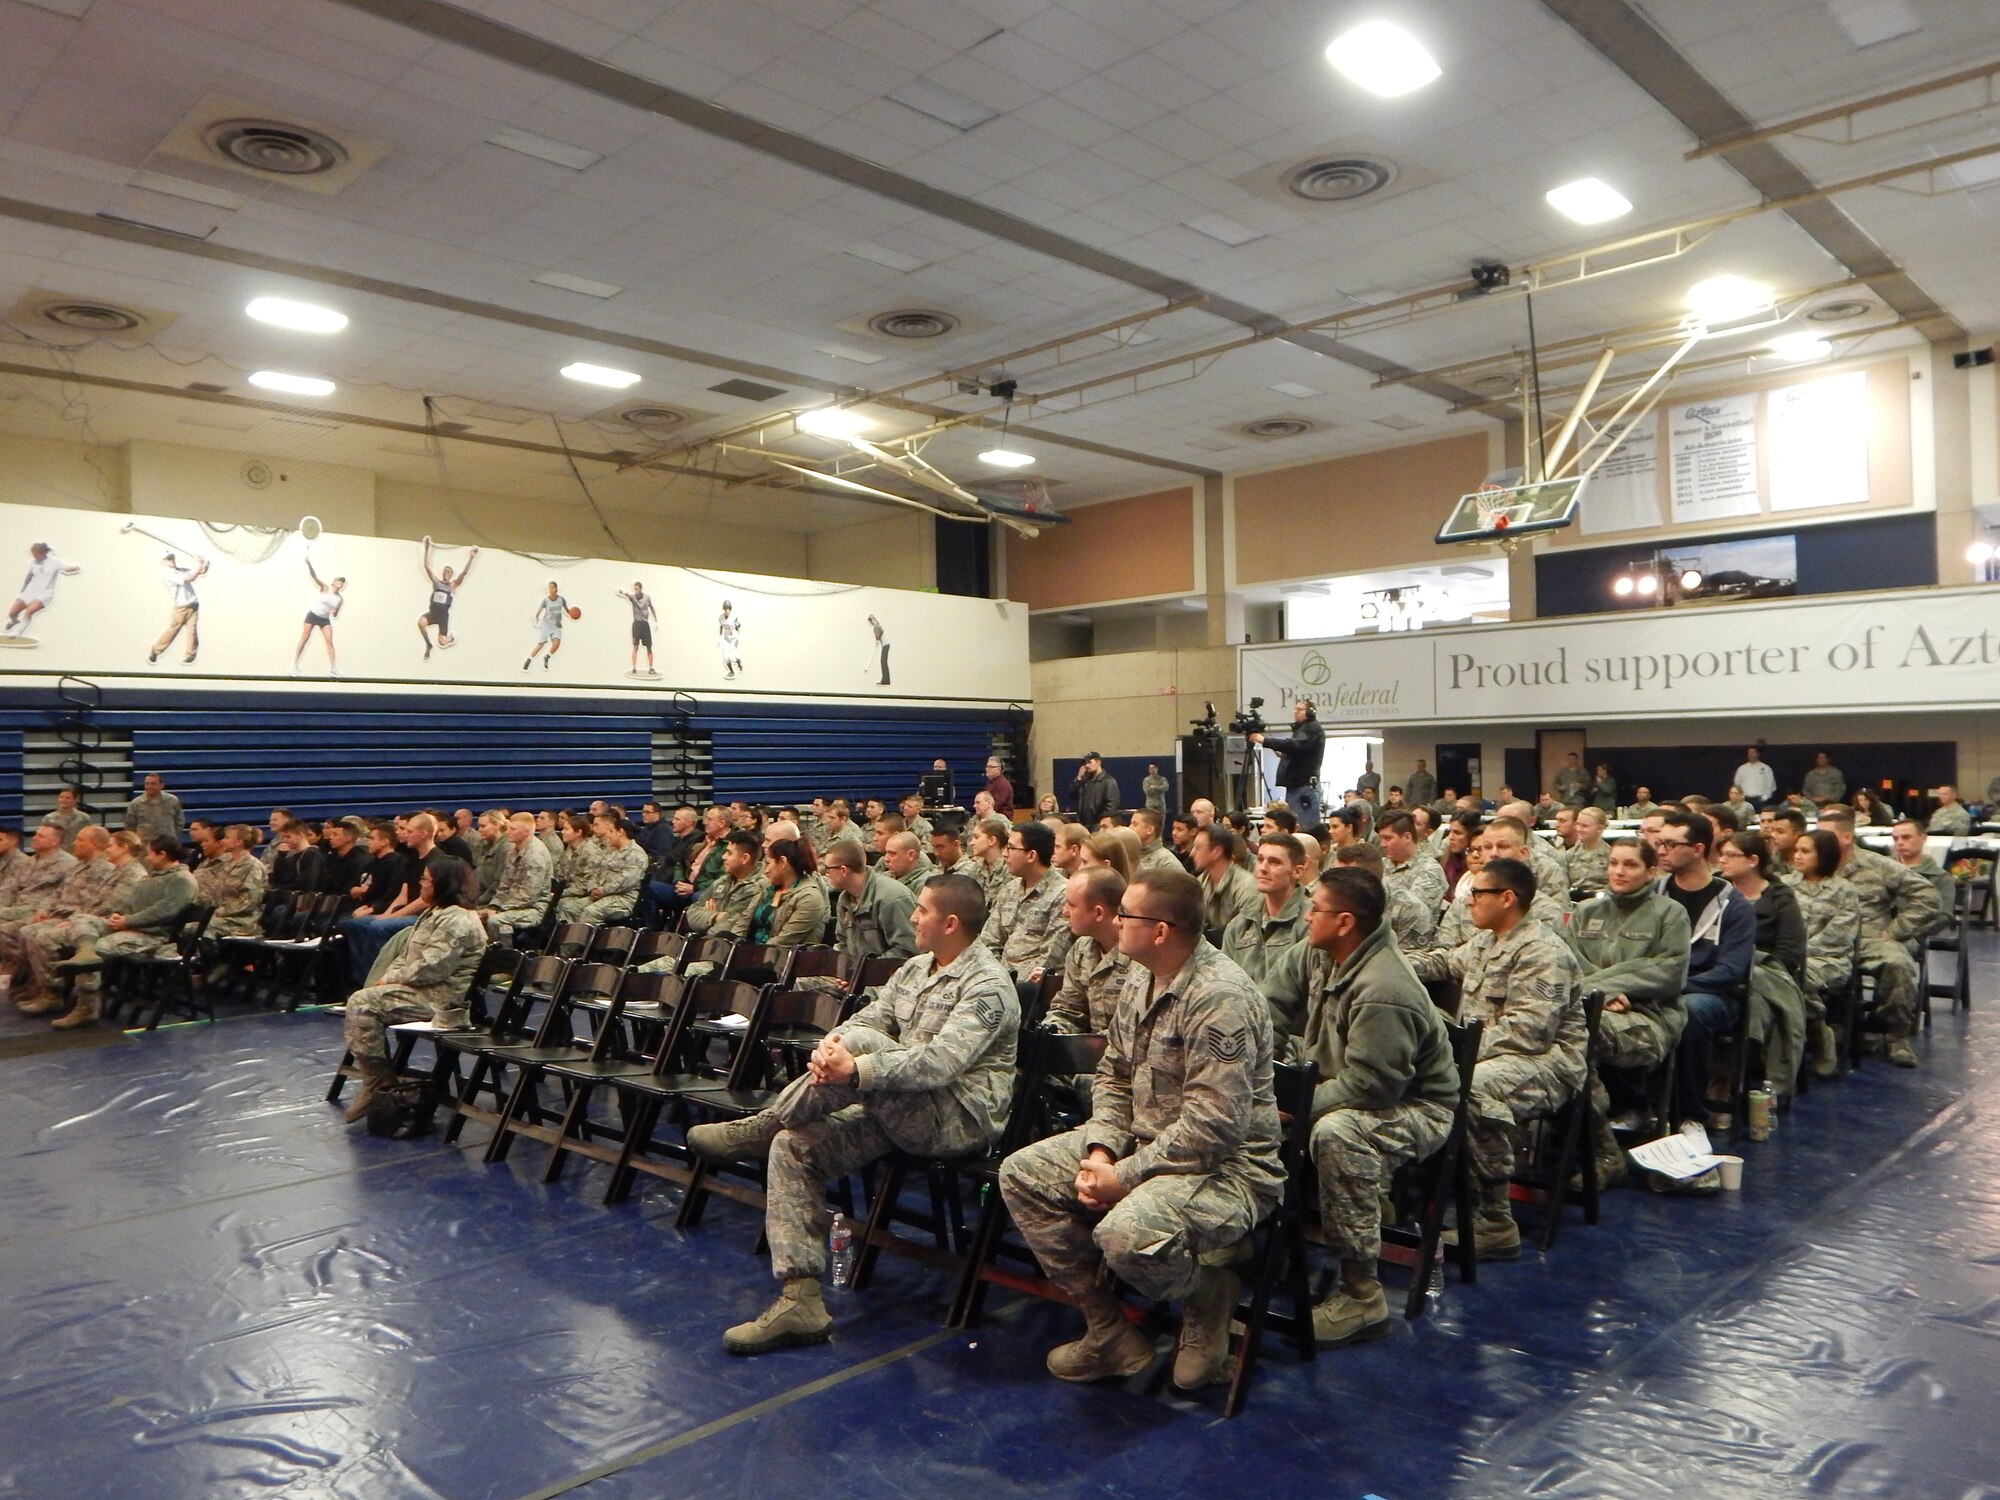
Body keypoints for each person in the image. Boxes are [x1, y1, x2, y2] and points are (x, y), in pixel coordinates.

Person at [688, 874, 1017, 1355]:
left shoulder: (988, 986)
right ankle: (800, 1300)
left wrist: (855, 1064)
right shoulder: (916, 969)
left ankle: (764, 1122)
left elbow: (940, 1064)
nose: (912, 917)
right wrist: (833, 1045)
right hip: (896, 1108)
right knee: (794, 1145)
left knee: (857, 1052)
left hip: (953, 1121)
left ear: (950, 922)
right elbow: (870, 1017)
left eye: (921, 911)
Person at [999, 867, 1280, 1389]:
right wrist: (1103, 1149)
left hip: (1227, 1168)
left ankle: (1207, 1295)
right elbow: (1114, 1075)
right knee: (1022, 1174)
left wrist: (1123, 1176)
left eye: (1128, 914)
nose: (1118, 922)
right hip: (1141, 1144)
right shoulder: (1141, 976)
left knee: (1124, 1231)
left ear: (1161, 931)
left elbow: (1212, 1129)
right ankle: (1108, 1331)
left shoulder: (1220, 999)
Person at [1259, 869, 1457, 1345]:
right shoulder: (1318, 951)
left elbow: (1373, 1087)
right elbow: (1268, 1006)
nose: (1306, 915)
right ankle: (1255, 1243)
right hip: (1338, 1085)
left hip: (1417, 1106)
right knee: (1241, 1101)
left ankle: (1362, 1293)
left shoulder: (1384, 987)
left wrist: (1295, 1106)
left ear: (1345, 922)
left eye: (1317, 908)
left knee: (1338, 1134)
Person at [1408, 857, 1584, 1260]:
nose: (1467, 901)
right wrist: (1391, 961)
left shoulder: (1542, 951)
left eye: (1476, 893)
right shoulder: (1487, 940)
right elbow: (1443, 961)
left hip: (1550, 1062)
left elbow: (1529, 1034)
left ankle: (1496, 1221)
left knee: (1469, 1090)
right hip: (1487, 1053)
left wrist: (1451, 1055)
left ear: (1507, 898)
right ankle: (1424, 1194)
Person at [1564, 839, 1690, 1181]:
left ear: (1651, 871)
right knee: (1566, 1039)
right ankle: (1579, 1141)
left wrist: (1599, 989)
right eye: (1614, 863)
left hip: (1650, 1020)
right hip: (1590, 1011)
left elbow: (1669, 971)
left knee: (1576, 1037)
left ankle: (1604, 1155)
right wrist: (1601, 994)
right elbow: (1568, 964)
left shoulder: (1669, 913)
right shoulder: (1586, 911)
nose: (1619, 871)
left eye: (1630, 865)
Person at [340, 858, 488, 1122]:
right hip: (420, 990)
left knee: (363, 1004)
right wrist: (391, 977)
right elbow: (407, 957)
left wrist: (390, 980)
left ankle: (377, 1084)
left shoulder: (457, 919)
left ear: (442, 884)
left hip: (440, 999)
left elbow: (433, 968)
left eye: (425, 879)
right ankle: (380, 1081)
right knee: (363, 1000)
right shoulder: (435, 913)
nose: (420, 883)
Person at [1818, 805, 1941, 1068]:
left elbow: (1927, 896)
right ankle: (1822, 1029)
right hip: (1823, 939)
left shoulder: (1878, 865)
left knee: (1897, 964)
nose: (1819, 842)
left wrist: (1897, 931)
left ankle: (1895, 1036)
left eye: (1826, 836)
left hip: (1870, 938)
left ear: (1847, 837)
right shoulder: (1816, 865)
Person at [1654, 810, 1753, 1126]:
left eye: (1671, 844)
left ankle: (1690, 1113)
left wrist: (1674, 987)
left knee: (1690, 1012)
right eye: (1659, 843)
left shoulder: (1733, 904)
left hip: (1711, 993)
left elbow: (1731, 971)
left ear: (1697, 850)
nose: (1661, 850)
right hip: (1655, 984)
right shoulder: (1654, 895)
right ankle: (1635, 1104)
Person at [63, 836, 198, 1026]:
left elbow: (165, 911)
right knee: (82, 920)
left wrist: (128, 921)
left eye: (151, 854)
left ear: (163, 855)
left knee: (98, 948)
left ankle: (87, 1008)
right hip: (130, 925)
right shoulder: (153, 875)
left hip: (152, 935)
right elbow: (133, 903)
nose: (147, 858)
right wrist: (119, 917)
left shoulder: (182, 880)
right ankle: (84, 951)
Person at [1718, 829, 1810, 1099]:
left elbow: (1789, 952)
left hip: (1766, 969)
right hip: (1720, 966)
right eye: (1721, 854)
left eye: (1730, 855)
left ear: (1752, 860)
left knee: (1754, 1003)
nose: (1722, 860)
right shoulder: (1717, 890)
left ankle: (1737, 1078)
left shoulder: (1780, 897)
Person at [1790, 829, 1859, 1078]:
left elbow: (1838, 937)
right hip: (1789, 958)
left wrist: (1796, 951)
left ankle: (1818, 1032)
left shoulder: (1844, 890)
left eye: (1805, 851)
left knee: (1798, 977)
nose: (1797, 856)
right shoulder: (1785, 886)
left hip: (1829, 959)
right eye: (1796, 850)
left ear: (1825, 855)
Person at [1044, 867, 1131, 1037]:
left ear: (1098, 913)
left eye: (1072, 905)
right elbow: (1069, 1008)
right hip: (1087, 1054)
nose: (1064, 912)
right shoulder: (1081, 949)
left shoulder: (1139, 956)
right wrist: (1053, 1031)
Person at [1221, 832, 1310, 985]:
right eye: (1260, 859)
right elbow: (1224, 979)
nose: (1262, 868)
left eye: (1275, 862)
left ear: (1297, 871)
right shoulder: (1241, 922)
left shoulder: (1309, 922)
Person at [982, 821, 1067, 980]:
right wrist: (993, 977)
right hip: (998, 979)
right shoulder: (1010, 889)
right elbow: (990, 940)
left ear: (1031, 855)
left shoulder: (1062, 894)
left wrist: (1010, 982)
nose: (1005, 854)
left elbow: (1052, 958)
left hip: (1031, 986)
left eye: (1011, 848)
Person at [823, 840, 917, 962]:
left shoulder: (891, 898)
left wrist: (863, 972)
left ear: (843, 870)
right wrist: (844, 973)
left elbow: (907, 950)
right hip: (859, 973)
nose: (827, 874)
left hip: (890, 975)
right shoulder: (845, 899)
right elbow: (843, 944)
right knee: (802, 980)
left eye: (828, 869)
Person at [1249, 700, 1325, 825]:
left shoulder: (1312, 728)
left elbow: (1295, 745)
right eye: (1295, 709)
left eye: (1299, 709)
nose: (1294, 712)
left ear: (1310, 712)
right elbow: (1300, 752)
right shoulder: (1303, 729)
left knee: (1304, 827)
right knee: (1298, 825)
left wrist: (1264, 740)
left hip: (1303, 787)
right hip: (1298, 786)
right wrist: (1284, 754)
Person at [684, 830, 768, 938]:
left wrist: (706, 917)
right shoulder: (723, 880)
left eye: (729, 853)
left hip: (729, 947)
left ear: (745, 858)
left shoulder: (757, 887)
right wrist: (716, 917)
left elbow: (728, 929)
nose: (723, 857)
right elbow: (691, 914)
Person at [746, 839, 828, 946]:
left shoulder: (810, 897)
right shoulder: (766, 888)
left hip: (784, 958)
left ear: (783, 862)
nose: (765, 871)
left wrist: (751, 955)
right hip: (752, 952)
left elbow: (783, 941)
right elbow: (743, 922)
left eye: (768, 863)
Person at [1191, 824, 1257, 941]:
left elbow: (1246, 936)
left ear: (1216, 852)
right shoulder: (1200, 884)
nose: (1192, 853)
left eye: (1198, 847)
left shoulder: (1247, 887)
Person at [415, 536, 477, 659]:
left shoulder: (452, 585)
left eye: (448, 572)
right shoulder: (437, 582)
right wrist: (426, 549)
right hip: (432, 613)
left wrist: (471, 557)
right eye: (444, 571)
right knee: (421, 623)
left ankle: (451, 638)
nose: (445, 573)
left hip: (443, 616)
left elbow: (463, 573)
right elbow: (427, 567)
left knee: (442, 642)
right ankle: (428, 645)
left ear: (451, 575)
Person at [4, 540, 80, 639]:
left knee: (29, 611)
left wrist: (75, 567)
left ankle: (17, 632)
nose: (34, 556)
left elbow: (67, 569)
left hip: (44, 594)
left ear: (43, 552)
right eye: (33, 554)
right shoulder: (32, 563)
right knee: (12, 612)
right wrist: (23, 591)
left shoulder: (55, 562)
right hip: (30, 591)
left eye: (36, 554)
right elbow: (29, 576)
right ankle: (14, 621)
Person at [1378, 813, 1446, 915]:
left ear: (1407, 837)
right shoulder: (1381, 865)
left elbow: (1413, 912)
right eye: (1381, 838)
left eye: (1388, 838)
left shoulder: (1430, 869)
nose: (1382, 844)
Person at [148, 550, 207, 665]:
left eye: (171, 557)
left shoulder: (181, 570)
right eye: (167, 559)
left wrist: (204, 563)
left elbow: (200, 571)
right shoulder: (167, 574)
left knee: (192, 631)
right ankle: (155, 650)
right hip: (181, 608)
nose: (170, 560)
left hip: (193, 605)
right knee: (172, 630)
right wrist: (198, 564)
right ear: (163, 561)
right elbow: (190, 578)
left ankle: (190, 655)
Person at [293, 556, 345, 677]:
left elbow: (335, 614)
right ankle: (294, 664)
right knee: (304, 638)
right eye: (339, 581)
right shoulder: (325, 588)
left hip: (324, 619)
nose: (340, 584)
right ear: (334, 582)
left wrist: (334, 611)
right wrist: (309, 564)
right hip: (313, 615)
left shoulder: (339, 599)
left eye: (342, 583)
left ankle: (333, 668)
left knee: (329, 641)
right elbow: (314, 577)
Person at [523, 581, 572, 671]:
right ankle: (528, 660)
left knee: (556, 644)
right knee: (540, 645)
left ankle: (547, 657)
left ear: (556, 589)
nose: (549, 589)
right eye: (548, 588)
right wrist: (536, 622)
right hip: (546, 625)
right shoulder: (545, 600)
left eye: (551, 587)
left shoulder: (561, 599)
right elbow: (537, 614)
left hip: (556, 625)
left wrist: (573, 614)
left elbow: (568, 611)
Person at [124, 773, 184, 842]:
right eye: (147, 784)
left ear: (161, 785)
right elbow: (129, 826)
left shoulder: (172, 800)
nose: (149, 786)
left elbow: (179, 821)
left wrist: (172, 836)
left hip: (168, 844)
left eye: (153, 784)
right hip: (145, 844)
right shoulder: (136, 803)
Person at [617, 581, 658, 677]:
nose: (636, 591)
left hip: (645, 624)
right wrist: (622, 592)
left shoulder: (647, 597)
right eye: (634, 589)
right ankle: (634, 667)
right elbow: (628, 595)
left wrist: (655, 619)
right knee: (635, 646)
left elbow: (651, 607)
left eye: (637, 589)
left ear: (641, 589)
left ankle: (651, 667)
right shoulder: (633, 597)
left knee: (649, 647)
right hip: (637, 624)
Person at [1072, 753, 1121, 828]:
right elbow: (1072, 794)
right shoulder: (1085, 781)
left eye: (1089, 762)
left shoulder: (1109, 781)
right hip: (1083, 824)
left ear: (1098, 763)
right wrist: (1079, 778)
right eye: (1085, 763)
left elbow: (1111, 805)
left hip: (1098, 825)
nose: (1087, 765)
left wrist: (1100, 822)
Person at [40, 787, 89, 851]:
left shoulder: (83, 818)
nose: (64, 800)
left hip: (77, 855)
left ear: (75, 800)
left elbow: (88, 838)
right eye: (61, 797)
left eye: (68, 798)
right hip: (56, 856)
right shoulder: (49, 819)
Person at [717, 599, 744, 678]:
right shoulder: (721, 617)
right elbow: (721, 626)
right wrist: (720, 638)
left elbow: (738, 625)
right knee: (725, 658)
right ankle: (731, 672)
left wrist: (737, 625)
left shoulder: (734, 616)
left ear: (730, 609)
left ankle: (737, 661)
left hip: (734, 638)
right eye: (725, 608)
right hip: (726, 638)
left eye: (728, 608)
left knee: (731, 657)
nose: (727, 610)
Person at [864, 613, 890, 685]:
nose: (871, 622)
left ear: (873, 620)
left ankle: (886, 679)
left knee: (883, 662)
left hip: (886, 644)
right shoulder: (877, 626)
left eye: (871, 620)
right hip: (885, 645)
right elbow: (878, 637)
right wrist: (877, 641)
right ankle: (886, 679)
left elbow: (879, 634)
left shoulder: (877, 626)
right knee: (883, 662)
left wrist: (877, 640)